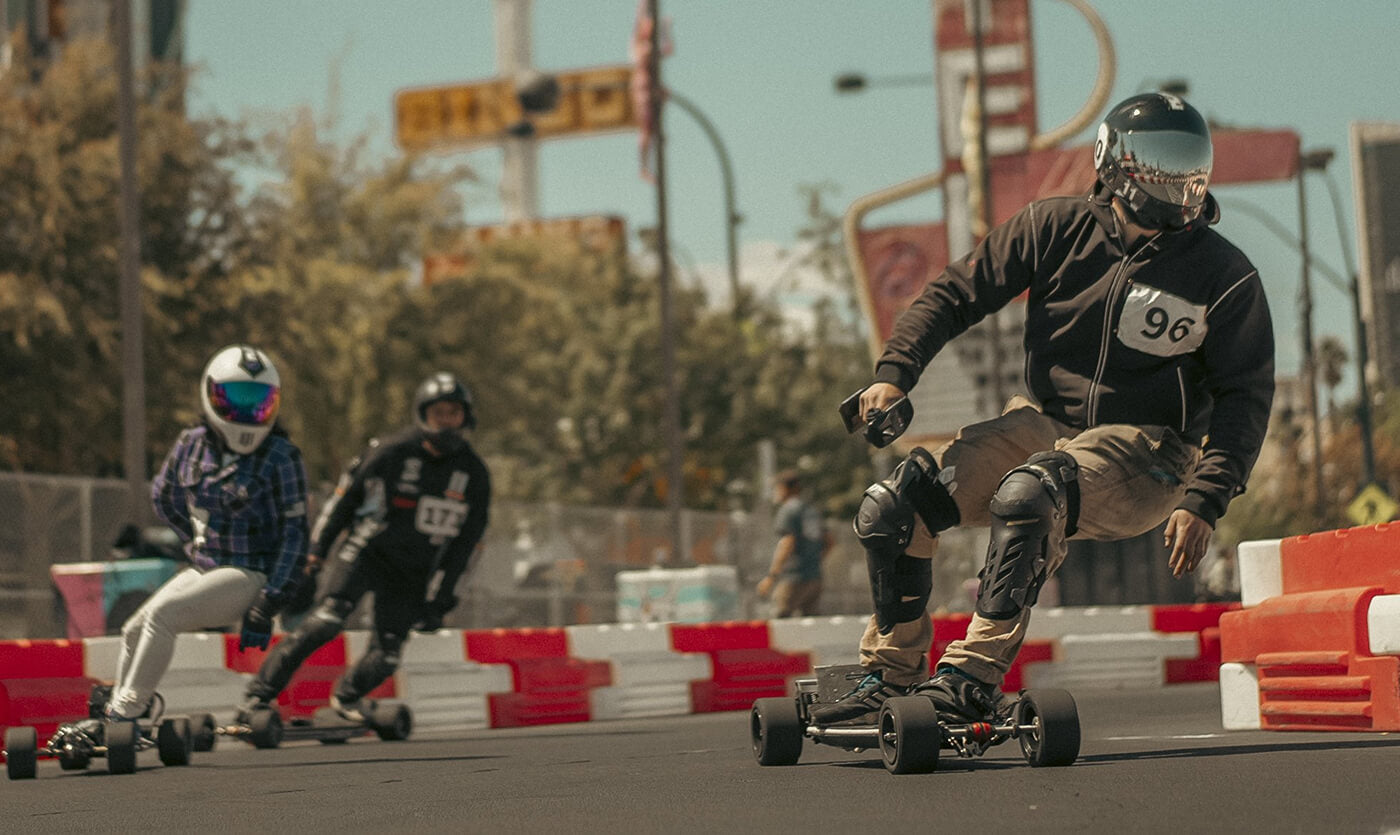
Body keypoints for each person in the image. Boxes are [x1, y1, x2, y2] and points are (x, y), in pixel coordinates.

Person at [811, 93, 1274, 725]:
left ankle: (971, 677)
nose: (1179, 180)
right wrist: (894, 378)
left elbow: (1247, 396)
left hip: (1151, 452)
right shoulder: (1055, 227)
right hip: (1043, 421)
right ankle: (889, 673)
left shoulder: (1225, 275)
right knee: (896, 505)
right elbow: (953, 294)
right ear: (1115, 163)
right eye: (1162, 161)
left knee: (1033, 491)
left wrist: (1206, 498)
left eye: (1191, 163)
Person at [79, 345, 308, 736]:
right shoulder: (192, 442)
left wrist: (269, 601)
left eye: (258, 401)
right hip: (205, 565)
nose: (247, 413)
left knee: (164, 619)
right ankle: (126, 710)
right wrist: (196, 537)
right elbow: (163, 496)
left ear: (274, 403)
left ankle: (124, 714)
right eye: (235, 399)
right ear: (211, 395)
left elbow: (296, 536)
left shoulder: (282, 456)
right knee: (136, 626)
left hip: (249, 574)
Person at [237, 372, 492, 721]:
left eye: (453, 413)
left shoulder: (475, 475)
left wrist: (444, 596)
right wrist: (315, 553)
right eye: (439, 413)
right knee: (325, 622)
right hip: (366, 552)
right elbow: (344, 500)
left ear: (466, 416)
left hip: (413, 571)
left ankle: (348, 697)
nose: (446, 422)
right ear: (423, 414)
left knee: (387, 655)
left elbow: (470, 544)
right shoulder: (391, 452)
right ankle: (258, 696)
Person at [756, 469, 832, 617]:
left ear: (785, 488)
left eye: (777, 488)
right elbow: (830, 541)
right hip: (815, 577)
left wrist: (771, 576)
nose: (775, 493)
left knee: (779, 618)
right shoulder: (811, 510)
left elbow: (787, 542)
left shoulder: (788, 510)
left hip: (794, 577)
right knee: (810, 622)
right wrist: (814, 560)